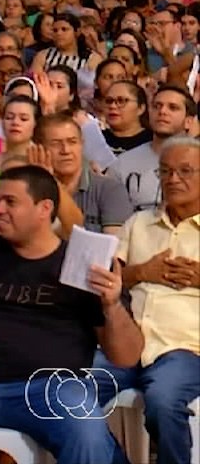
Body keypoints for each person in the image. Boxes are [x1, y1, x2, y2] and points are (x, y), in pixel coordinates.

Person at [0, 166, 143, 464]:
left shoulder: (82, 265)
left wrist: (111, 305)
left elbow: (126, 357)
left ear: (44, 208)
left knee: (85, 431)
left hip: (48, 389)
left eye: (10, 202)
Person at [98, 135, 200, 464]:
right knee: (65, 391)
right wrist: (142, 272)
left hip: (184, 349)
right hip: (126, 345)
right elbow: (110, 278)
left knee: (164, 401)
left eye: (185, 171)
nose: (173, 179)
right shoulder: (138, 223)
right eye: (166, 171)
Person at [108, 84, 197, 212]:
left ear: (188, 121)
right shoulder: (122, 164)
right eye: (157, 106)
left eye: (173, 107)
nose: (162, 112)